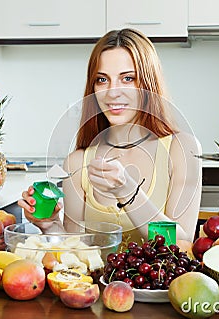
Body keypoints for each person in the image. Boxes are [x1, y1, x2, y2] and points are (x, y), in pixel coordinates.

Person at [18, 28, 202, 245]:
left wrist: (127, 190)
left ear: (148, 83)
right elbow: (75, 250)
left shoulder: (182, 149)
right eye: (102, 80)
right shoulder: (77, 163)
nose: (113, 92)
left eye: (127, 78)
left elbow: (181, 244)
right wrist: (51, 226)